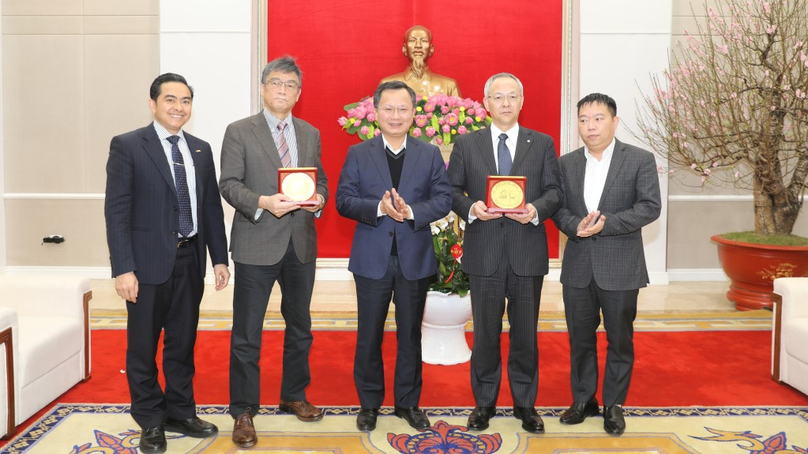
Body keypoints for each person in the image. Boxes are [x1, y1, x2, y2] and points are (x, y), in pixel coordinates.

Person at [104, 73, 230, 454]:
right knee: (142, 347)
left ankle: (180, 410)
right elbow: (117, 210)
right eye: (171, 99)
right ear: (153, 103)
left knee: (182, 342)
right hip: (145, 265)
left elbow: (210, 208)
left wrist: (219, 259)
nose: (179, 107)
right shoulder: (128, 145)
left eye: (186, 100)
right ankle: (150, 419)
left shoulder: (200, 149)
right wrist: (123, 268)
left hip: (190, 259)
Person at [219, 56, 328, 448]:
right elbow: (228, 184)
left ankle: (293, 394)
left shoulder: (310, 132)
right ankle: (244, 410)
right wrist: (263, 201)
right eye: (276, 83)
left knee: (301, 327)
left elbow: (323, 181)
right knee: (247, 332)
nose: (283, 90)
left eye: (291, 85)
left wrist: (318, 199)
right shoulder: (239, 131)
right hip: (256, 241)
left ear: (299, 94)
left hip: (300, 243)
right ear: (263, 88)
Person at [447, 73, 562, 434]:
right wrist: (471, 207)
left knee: (526, 334)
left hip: (527, 252)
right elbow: (450, 191)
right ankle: (484, 404)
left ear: (522, 101)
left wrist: (537, 210)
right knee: (485, 333)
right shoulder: (467, 144)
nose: (506, 103)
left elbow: (556, 191)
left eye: (513, 96)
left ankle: (526, 405)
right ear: (486, 103)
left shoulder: (541, 143)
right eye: (499, 97)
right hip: (485, 252)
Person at [336, 80, 452, 432]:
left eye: (403, 108)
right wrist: (380, 208)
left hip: (414, 257)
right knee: (368, 334)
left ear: (414, 113)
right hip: (372, 258)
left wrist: (412, 211)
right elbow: (343, 199)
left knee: (409, 335)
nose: (396, 115)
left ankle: (408, 403)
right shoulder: (360, 152)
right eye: (388, 108)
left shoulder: (429, 153)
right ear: (376, 111)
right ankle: (369, 404)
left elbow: (444, 198)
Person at [552, 93, 661, 436]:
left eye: (598, 118)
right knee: (580, 339)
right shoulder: (565, 163)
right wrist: (574, 226)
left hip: (621, 265)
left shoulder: (639, 159)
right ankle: (584, 400)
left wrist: (607, 223)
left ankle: (614, 404)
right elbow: (557, 208)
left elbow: (649, 206)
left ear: (614, 121)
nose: (590, 126)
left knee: (619, 339)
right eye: (584, 119)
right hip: (578, 267)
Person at [381, 25, 461, 98]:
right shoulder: (387, 85)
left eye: (424, 41)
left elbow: (459, 112)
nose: (418, 45)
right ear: (404, 49)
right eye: (412, 40)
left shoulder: (448, 85)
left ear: (431, 49)